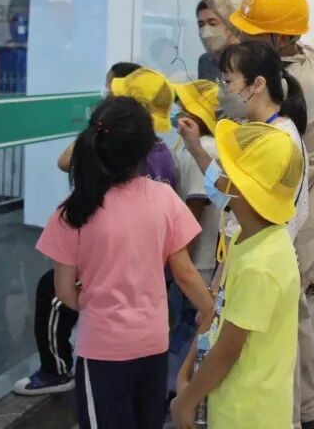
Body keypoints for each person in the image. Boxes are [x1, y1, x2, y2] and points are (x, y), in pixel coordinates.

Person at [166, 0, 314, 429]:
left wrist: (189, 397)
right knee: (267, 330)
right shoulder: (286, 69)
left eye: (230, 80)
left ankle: (303, 415)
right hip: (263, 226)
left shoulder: (284, 118)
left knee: (280, 331)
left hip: (284, 224)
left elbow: (234, 188)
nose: (234, 35)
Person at [36, 96, 213, 429]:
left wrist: (96, 305)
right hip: (153, 343)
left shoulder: (74, 210)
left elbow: (64, 291)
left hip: (101, 350)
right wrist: (210, 311)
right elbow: (185, 273)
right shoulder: (164, 198)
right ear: (146, 149)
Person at [15, 62, 167, 397]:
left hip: (107, 321)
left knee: (53, 293)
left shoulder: (117, 158)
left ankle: (55, 370)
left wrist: (98, 127)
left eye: (113, 91)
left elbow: (65, 161)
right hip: (147, 326)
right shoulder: (159, 155)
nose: (106, 93)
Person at [171, 120, 303, 429]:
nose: (215, 170)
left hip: (249, 415)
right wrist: (186, 372)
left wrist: (186, 402)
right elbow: (217, 314)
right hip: (233, 404)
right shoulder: (248, 237)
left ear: (241, 187)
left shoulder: (261, 264)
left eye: (223, 166)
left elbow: (227, 351)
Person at [173, 79, 223, 282]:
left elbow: (196, 207)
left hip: (199, 260)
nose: (179, 116)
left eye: (185, 110)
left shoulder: (205, 148)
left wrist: (182, 260)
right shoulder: (188, 145)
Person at [197, 1, 236, 83]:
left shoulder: (249, 60)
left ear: (230, 26)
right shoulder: (206, 61)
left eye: (212, 23)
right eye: (201, 25)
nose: (205, 31)